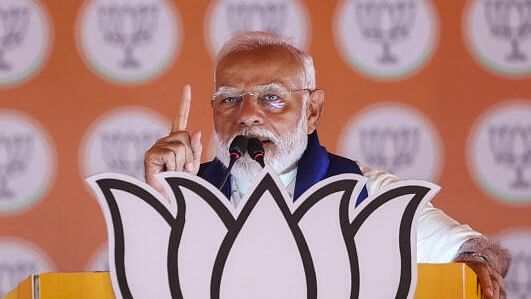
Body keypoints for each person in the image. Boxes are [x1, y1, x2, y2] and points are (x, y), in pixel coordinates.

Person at [144, 31, 511, 298]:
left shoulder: (363, 190)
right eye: (230, 100)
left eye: (271, 98)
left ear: (313, 110)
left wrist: (477, 263)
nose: (247, 116)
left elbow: (471, 251)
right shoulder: (186, 189)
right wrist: (162, 202)